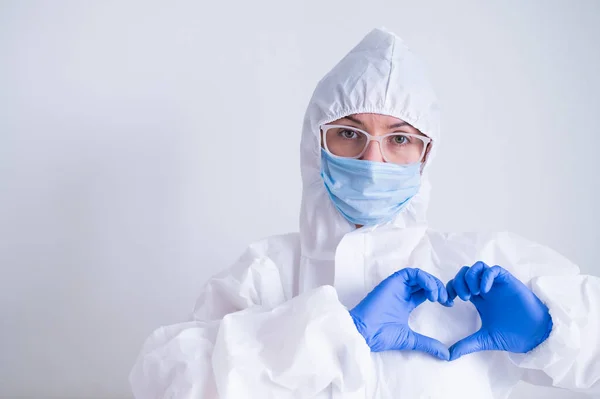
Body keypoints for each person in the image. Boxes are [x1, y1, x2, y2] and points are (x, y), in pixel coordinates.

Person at [129, 28, 600, 398]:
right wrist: (333, 333)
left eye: (399, 139)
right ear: (317, 142)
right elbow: (165, 383)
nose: (373, 162)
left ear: (425, 154)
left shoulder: (481, 271)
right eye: (349, 134)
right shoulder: (265, 272)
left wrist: (552, 330)